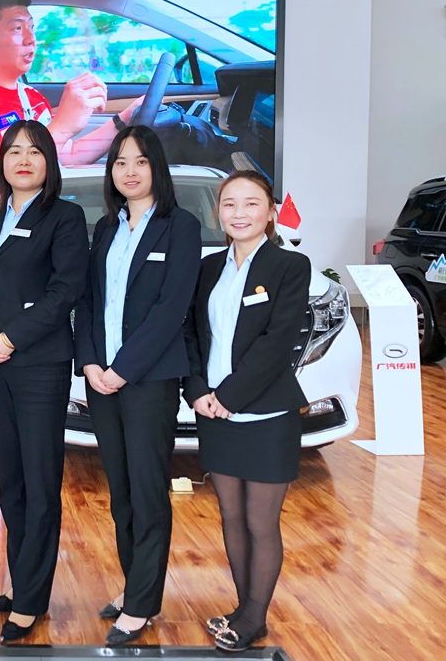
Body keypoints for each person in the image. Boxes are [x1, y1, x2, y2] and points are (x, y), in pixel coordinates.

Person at [72, 125, 201, 646]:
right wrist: (90, 363)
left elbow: (171, 310)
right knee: (121, 492)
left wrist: (123, 368)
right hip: (101, 379)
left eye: (140, 161)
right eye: (120, 162)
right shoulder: (106, 228)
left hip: (147, 380)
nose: (129, 171)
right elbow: (88, 301)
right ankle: (133, 587)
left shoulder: (180, 226)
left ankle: (142, 604)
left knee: (148, 492)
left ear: (156, 168)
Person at [182, 170, 311, 652]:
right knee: (231, 518)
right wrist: (198, 391)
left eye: (251, 203)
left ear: (271, 211)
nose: (239, 213)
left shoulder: (289, 266)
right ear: (218, 212)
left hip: (265, 415)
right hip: (214, 412)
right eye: (229, 204)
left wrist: (228, 397)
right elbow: (192, 333)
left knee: (260, 522)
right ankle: (242, 609)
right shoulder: (208, 267)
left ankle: (255, 617)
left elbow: (277, 343)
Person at [0, 120, 88, 643]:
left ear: (50, 162)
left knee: (41, 482)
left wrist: (11, 337)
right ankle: (23, 583)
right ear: (1, 161)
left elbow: (65, 290)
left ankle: (32, 599)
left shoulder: (64, 216)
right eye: (14, 151)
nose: (23, 160)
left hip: (39, 363)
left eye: (35, 151)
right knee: (11, 480)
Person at [0, 0, 143, 198]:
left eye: (31, 27)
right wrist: (60, 127)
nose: (31, 39)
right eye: (17, 29)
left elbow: (66, 155)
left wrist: (124, 119)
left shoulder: (31, 96)